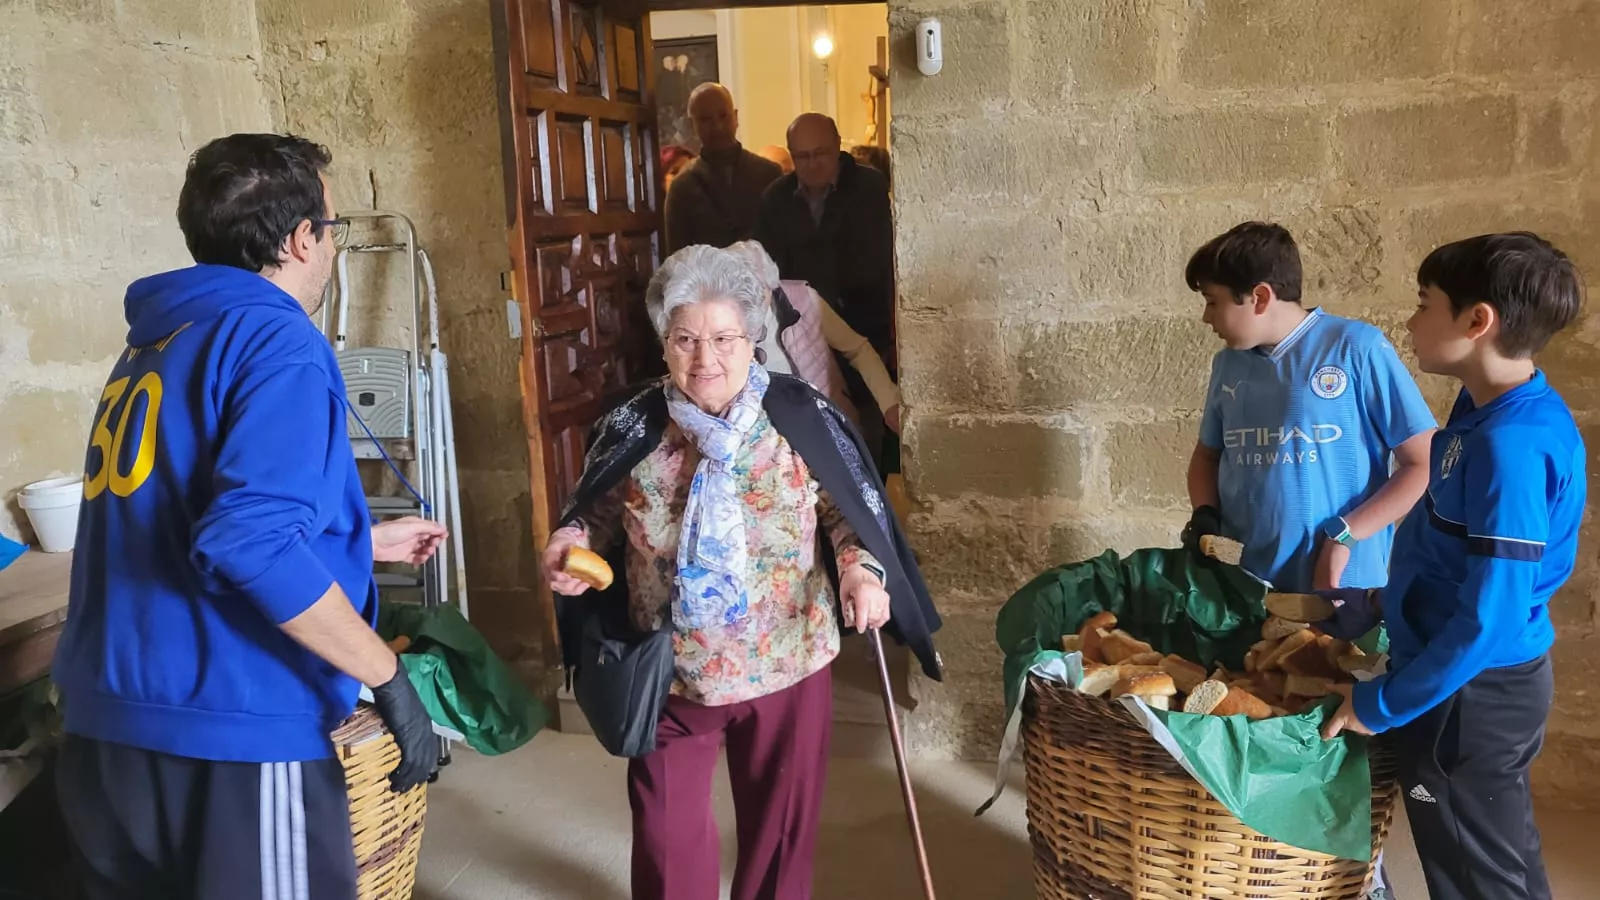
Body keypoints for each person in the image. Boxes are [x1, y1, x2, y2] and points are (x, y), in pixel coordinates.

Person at [50, 133, 446, 900]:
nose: (331, 248)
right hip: (230, 728)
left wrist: (364, 536)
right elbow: (249, 544)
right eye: (332, 230)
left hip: (108, 731)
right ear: (303, 240)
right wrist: (388, 675)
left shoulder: (161, 341)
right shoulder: (277, 338)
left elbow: (185, 503)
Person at [541, 244, 942, 900]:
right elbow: (599, 510)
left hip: (787, 658)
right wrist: (572, 539)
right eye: (686, 339)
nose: (706, 359)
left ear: (754, 337)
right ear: (663, 342)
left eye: (725, 337)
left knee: (781, 838)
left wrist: (861, 573)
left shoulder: (800, 417)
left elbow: (848, 516)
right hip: (671, 671)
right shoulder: (634, 424)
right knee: (668, 844)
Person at [1319, 233, 1586, 900]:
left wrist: (1379, 705)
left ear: (1477, 321)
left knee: (1477, 872)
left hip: (1473, 695)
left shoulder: (1512, 446)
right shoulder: (1482, 409)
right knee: (1481, 858)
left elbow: (1490, 617)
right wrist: (1383, 603)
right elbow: (1455, 551)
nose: (1409, 321)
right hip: (1460, 676)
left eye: (1422, 303)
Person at [1181, 222, 1436, 594]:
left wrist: (1345, 537)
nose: (1207, 318)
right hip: (1246, 590)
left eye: (1212, 301)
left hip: (1340, 586)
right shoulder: (1228, 364)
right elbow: (1207, 456)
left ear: (1261, 297)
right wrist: (1205, 515)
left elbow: (1424, 462)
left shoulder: (1356, 347)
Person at [756, 113, 896, 366]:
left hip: (864, 327)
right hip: (800, 335)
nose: (812, 164)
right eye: (802, 156)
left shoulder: (868, 187)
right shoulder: (776, 198)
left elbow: (883, 260)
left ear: (837, 145)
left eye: (820, 153)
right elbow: (767, 267)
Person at [727, 239, 901, 434]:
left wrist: (888, 401)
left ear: (771, 284)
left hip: (832, 425)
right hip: (772, 441)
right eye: (741, 298)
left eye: (759, 294)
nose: (752, 306)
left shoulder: (803, 300)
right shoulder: (722, 320)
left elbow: (857, 349)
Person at [663, 83, 783, 254]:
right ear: (692, 125)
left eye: (723, 116)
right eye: (706, 119)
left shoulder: (769, 174)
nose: (717, 126)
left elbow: (786, 242)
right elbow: (678, 261)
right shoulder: (682, 187)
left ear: (735, 117)